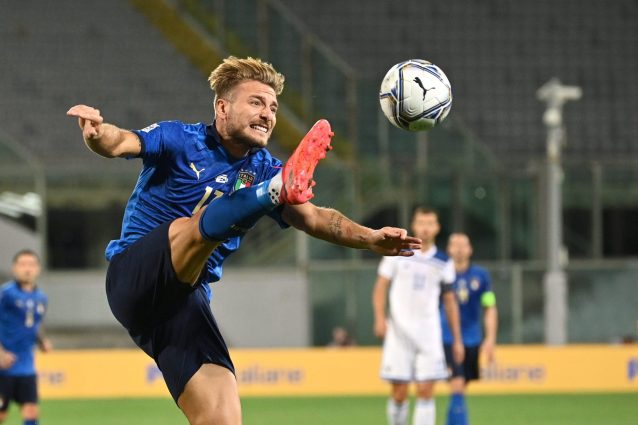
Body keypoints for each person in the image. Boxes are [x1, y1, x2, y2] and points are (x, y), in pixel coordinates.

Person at [66, 56, 421, 425]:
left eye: (273, 107)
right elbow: (121, 141)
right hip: (134, 276)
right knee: (195, 225)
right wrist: (97, 134)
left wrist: (370, 238)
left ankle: (273, 194)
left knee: (222, 417)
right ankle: (272, 194)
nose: (267, 114)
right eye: (256, 102)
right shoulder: (180, 139)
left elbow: (314, 217)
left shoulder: (263, 167)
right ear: (222, 108)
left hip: (183, 302)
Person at [373, 207, 463, 425]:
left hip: (428, 334)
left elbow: (450, 302)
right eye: (421, 222)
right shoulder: (397, 252)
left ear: (437, 227)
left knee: (426, 391)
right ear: (414, 225)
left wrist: (457, 339)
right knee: (399, 393)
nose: (425, 228)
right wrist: (379, 318)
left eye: (430, 223)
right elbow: (380, 287)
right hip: (399, 333)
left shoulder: (444, 262)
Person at [441, 233, 498, 425]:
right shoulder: (441, 273)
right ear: (448, 249)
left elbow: (489, 307)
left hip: (472, 338)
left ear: (470, 249)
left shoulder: (481, 276)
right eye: (454, 244)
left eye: (463, 245)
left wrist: (490, 339)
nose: (459, 249)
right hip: (447, 337)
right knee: (457, 383)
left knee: (461, 386)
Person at [0, 249, 51, 425]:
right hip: (4, 366)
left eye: (31, 264)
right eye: (22, 264)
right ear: (14, 268)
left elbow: (33, 325)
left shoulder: (41, 298)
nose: (27, 269)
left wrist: (42, 341)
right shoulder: (5, 294)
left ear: (38, 269)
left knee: (31, 411)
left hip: (26, 366)